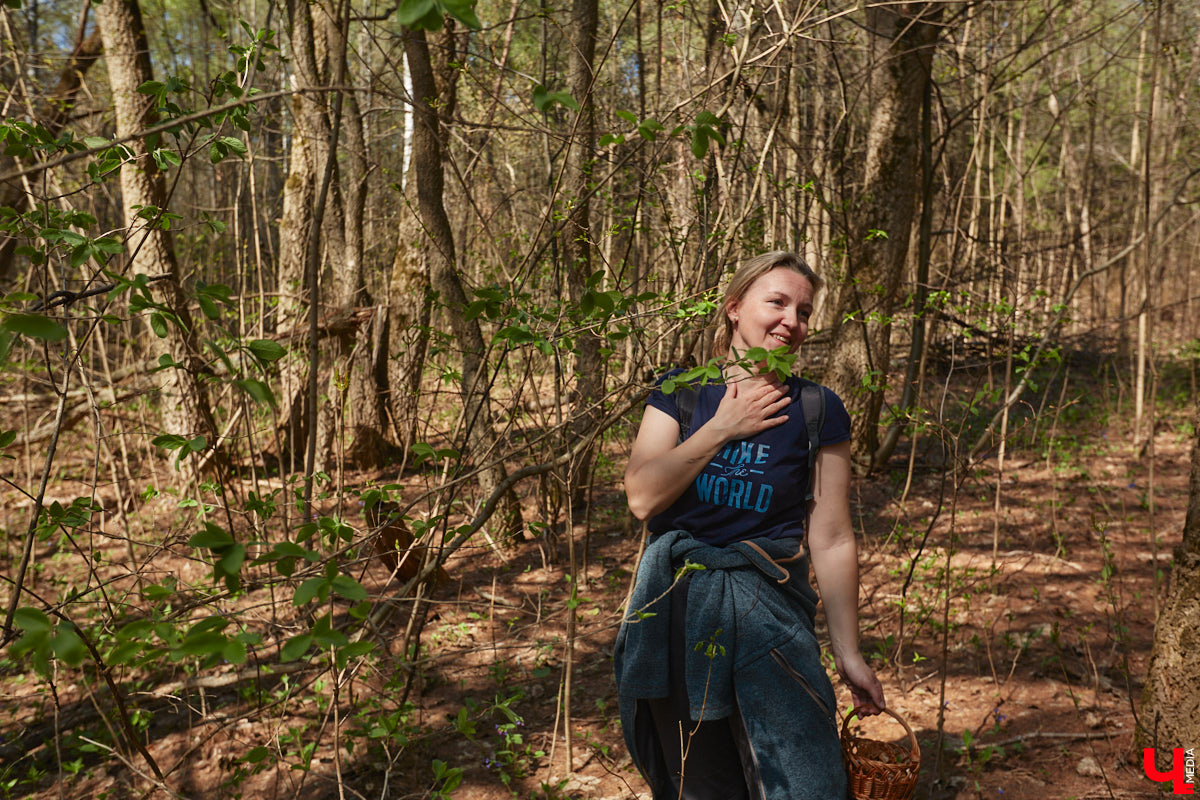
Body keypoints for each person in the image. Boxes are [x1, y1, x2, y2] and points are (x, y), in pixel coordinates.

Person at [613, 251, 885, 800]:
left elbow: (830, 536)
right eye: (777, 302)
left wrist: (848, 652)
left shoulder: (817, 408)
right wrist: (721, 428)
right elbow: (642, 496)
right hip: (677, 614)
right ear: (735, 308)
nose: (793, 321)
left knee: (807, 779)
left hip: (773, 619)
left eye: (804, 311)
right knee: (702, 784)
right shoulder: (681, 392)